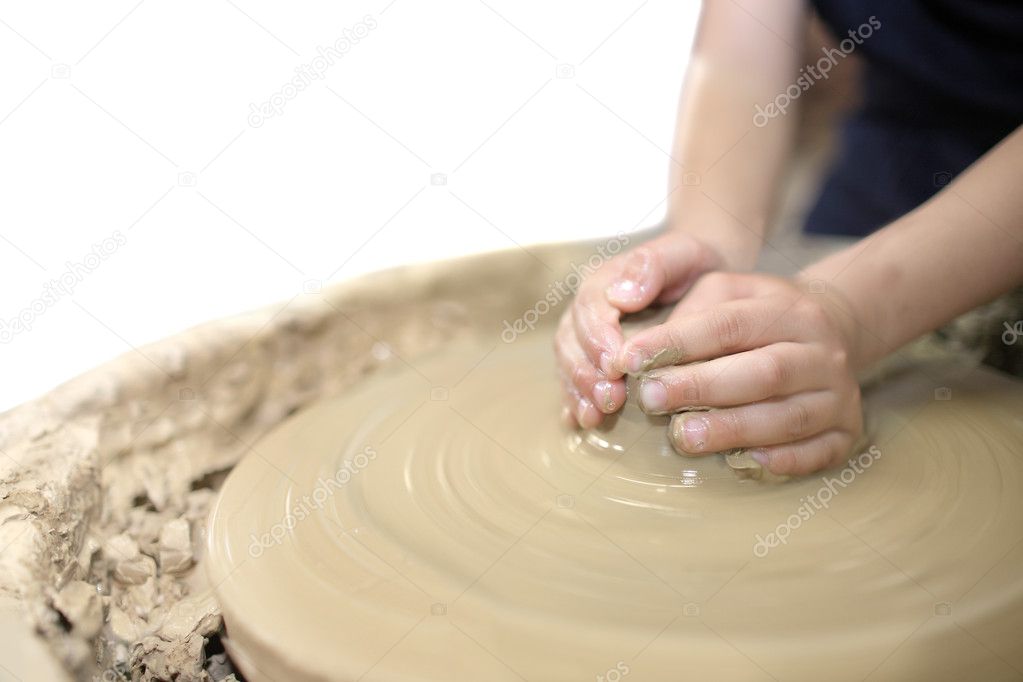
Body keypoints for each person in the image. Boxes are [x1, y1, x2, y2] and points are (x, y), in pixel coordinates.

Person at [554, 0, 1023, 476]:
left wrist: (850, 310)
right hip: (901, 137)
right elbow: (736, 64)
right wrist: (706, 242)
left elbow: (843, 307)